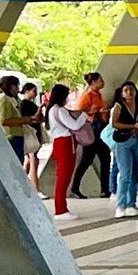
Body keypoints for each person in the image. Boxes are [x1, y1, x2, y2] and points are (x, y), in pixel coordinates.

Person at [45, 83, 88, 220]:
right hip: (65, 143)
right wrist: (84, 116)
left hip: (58, 143)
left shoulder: (50, 109)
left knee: (62, 177)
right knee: (64, 178)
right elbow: (74, 125)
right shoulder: (60, 110)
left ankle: (61, 208)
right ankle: (60, 209)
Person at [68, 72, 112, 198]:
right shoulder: (87, 96)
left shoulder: (98, 95)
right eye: (100, 80)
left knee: (104, 158)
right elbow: (79, 112)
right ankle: (75, 187)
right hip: (93, 130)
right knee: (88, 159)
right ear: (93, 82)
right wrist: (96, 112)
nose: (102, 82)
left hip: (100, 129)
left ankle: (105, 188)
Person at [107, 81, 138, 217]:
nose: (129, 92)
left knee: (135, 173)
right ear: (122, 93)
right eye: (126, 90)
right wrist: (133, 126)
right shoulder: (119, 106)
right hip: (123, 141)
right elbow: (115, 123)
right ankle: (120, 205)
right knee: (125, 174)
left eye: (131, 89)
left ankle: (131, 204)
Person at [0, 75, 27, 162]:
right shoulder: (4, 99)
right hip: (10, 136)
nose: (18, 88)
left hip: (17, 135)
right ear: (12, 86)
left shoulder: (13, 99)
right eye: (17, 85)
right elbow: (4, 121)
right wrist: (23, 120)